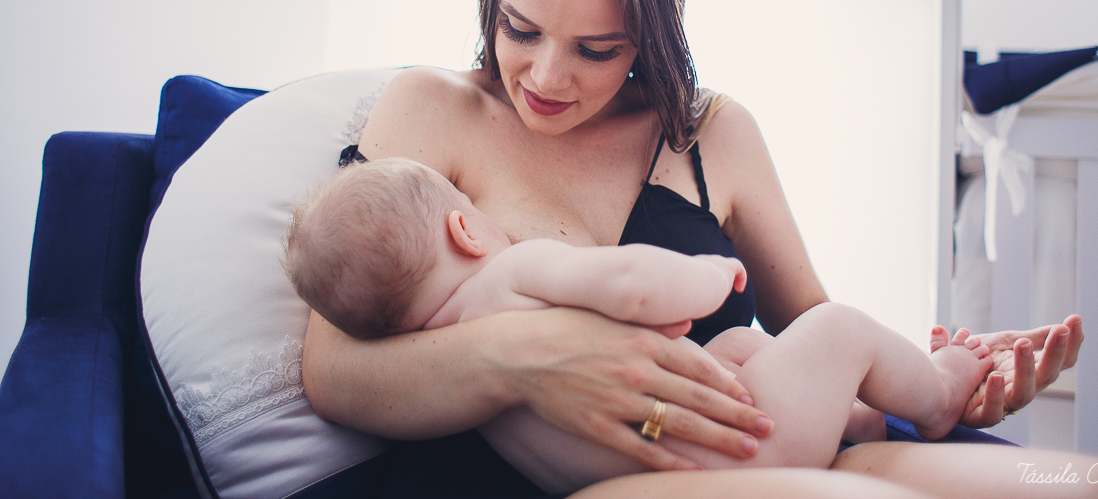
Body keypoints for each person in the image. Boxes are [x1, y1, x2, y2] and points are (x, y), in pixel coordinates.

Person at [302, 0, 1098, 499]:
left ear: (653, 35)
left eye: (596, 49)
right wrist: (527, 357)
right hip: (631, 476)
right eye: (519, 29)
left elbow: (816, 327)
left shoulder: (712, 132)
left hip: (767, 434)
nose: (547, 77)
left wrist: (946, 381)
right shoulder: (432, 111)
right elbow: (334, 370)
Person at [284, 156, 996, 494]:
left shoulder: (442, 375)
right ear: (466, 229)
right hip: (748, 452)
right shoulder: (511, 270)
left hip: (657, 473)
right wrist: (708, 275)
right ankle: (936, 394)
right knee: (838, 329)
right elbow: (629, 283)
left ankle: (862, 421)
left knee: (740, 345)